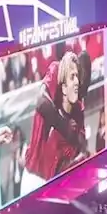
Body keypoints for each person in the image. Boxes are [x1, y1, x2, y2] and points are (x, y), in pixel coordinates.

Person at [20, 51, 87, 195]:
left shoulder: (78, 109)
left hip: (56, 185)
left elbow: (82, 147)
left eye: (79, 77)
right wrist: (64, 126)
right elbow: (41, 102)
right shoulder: (57, 70)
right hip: (34, 178)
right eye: (73, 76)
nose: (77, 82)